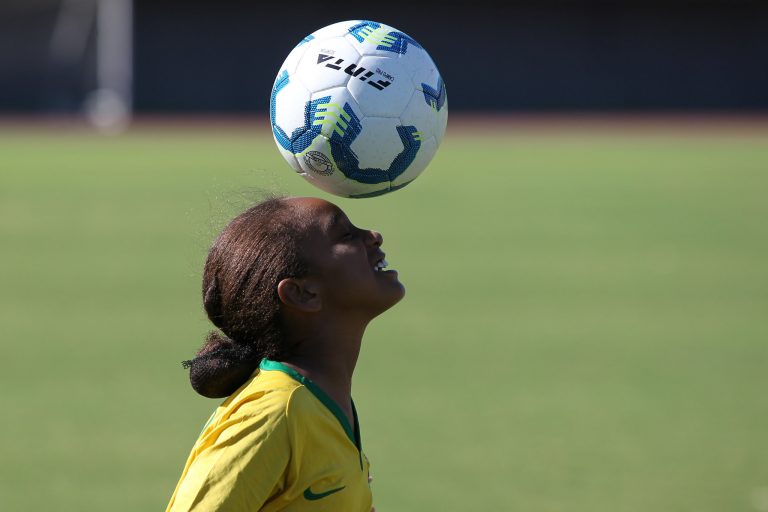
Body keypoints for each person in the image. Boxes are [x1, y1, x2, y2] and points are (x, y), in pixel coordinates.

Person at [165, 196, 404, 511]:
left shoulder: (321, 401)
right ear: (302, 293)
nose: (373, 235)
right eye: (345, 235)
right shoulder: (274, 414)